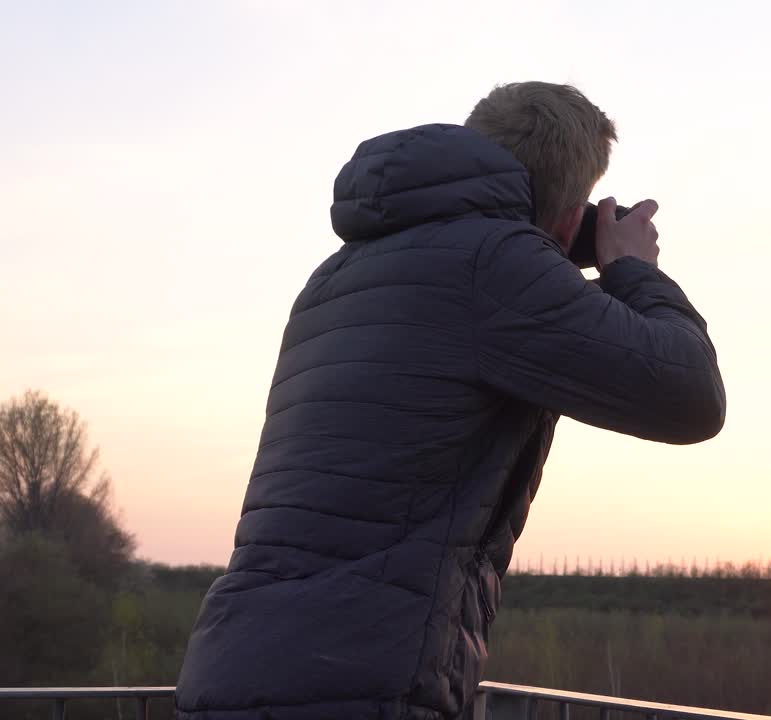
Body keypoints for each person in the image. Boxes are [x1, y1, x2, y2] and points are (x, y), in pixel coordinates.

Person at [174, 82, 726, 720]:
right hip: (360, 684)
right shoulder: (495, 266)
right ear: (573, 210)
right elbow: (691, 395)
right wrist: (632, 269)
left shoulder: (337, 273)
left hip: (236, 673)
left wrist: (554, 245)